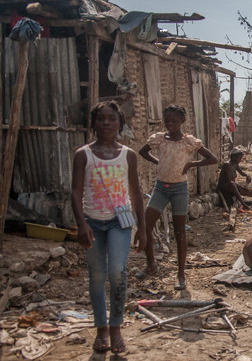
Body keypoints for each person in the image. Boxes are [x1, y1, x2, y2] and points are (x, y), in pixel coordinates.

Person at [71, 101, 146, 354]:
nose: (106, 123)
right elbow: (75, 192)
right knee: (96, 276)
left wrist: (143, 229)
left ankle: (116, 327)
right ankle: (101, 328)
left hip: (120, 221)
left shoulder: (129, 155)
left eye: (111, 119)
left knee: (117, 271)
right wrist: (81, 224)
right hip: (92, 221)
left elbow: (136, 193)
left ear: (120, 124)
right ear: (93, 123)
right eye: (100, 119)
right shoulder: (83, 154)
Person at [137, 104, 218, 290]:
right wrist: (159, 162)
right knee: (146, 226)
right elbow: (142, 152)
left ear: (183, 121)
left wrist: (190, 165)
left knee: (179, 232)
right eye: (167, 121)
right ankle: (151, 265)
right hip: (160, 188)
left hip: (179, 189)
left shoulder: (189, 142)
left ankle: (181, 275)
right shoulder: (160, 139)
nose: (170, 124)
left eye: (174, 121)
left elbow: (212, 159)